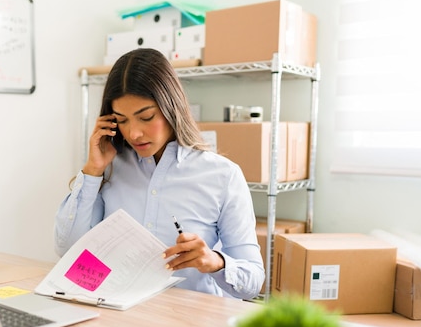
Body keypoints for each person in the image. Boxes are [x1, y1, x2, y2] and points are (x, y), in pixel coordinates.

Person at [54, 48, 265, 300]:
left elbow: (254, 280)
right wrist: (92, 170)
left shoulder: (222, 175)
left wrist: (215, 261)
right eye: (122, 120)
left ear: (171, 108)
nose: (133, 134)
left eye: (146, 117)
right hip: (121, 316)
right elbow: (68, 251)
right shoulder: (110, 167)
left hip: (191, 322)